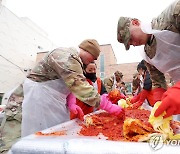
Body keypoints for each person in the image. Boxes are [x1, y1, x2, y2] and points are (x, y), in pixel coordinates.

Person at [22, 39, 123, 137]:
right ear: (87, 51)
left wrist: (71, 102)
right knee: (42, 133)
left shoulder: (77, 62)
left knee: (58, 131)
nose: (92, 61)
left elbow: (68, 83)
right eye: (93, 57)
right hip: (39, 96)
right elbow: (81, 87)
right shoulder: (67, 57)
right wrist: (109, 107)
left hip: (53, 99)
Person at [117, 0, 180, 118]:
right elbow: (157, 80)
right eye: (130, 44)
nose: (133, 44)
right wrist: (158, 102)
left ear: (135, 22)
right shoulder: (147, 54)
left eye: (130, 38)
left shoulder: (172, 15)